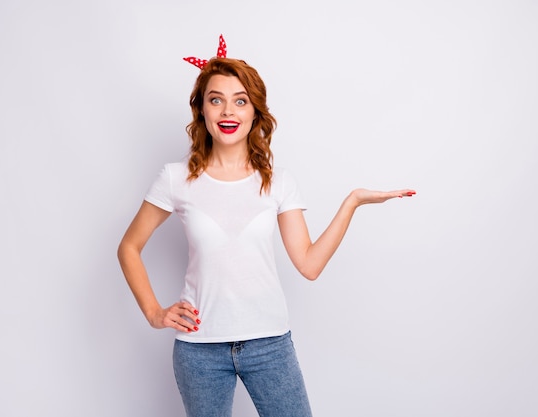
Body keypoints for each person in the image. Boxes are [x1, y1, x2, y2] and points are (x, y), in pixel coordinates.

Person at [117, 36, 416, 417]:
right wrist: (154, 312)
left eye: (240, 100)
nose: (228, 110)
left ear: (255, 112)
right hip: (199, 349)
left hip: (270, 345)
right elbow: (129, 247)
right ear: (202, 110)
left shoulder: (277, 181)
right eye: (216, 99)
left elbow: (309, 265)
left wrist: (351, 202)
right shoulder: (175, 179)